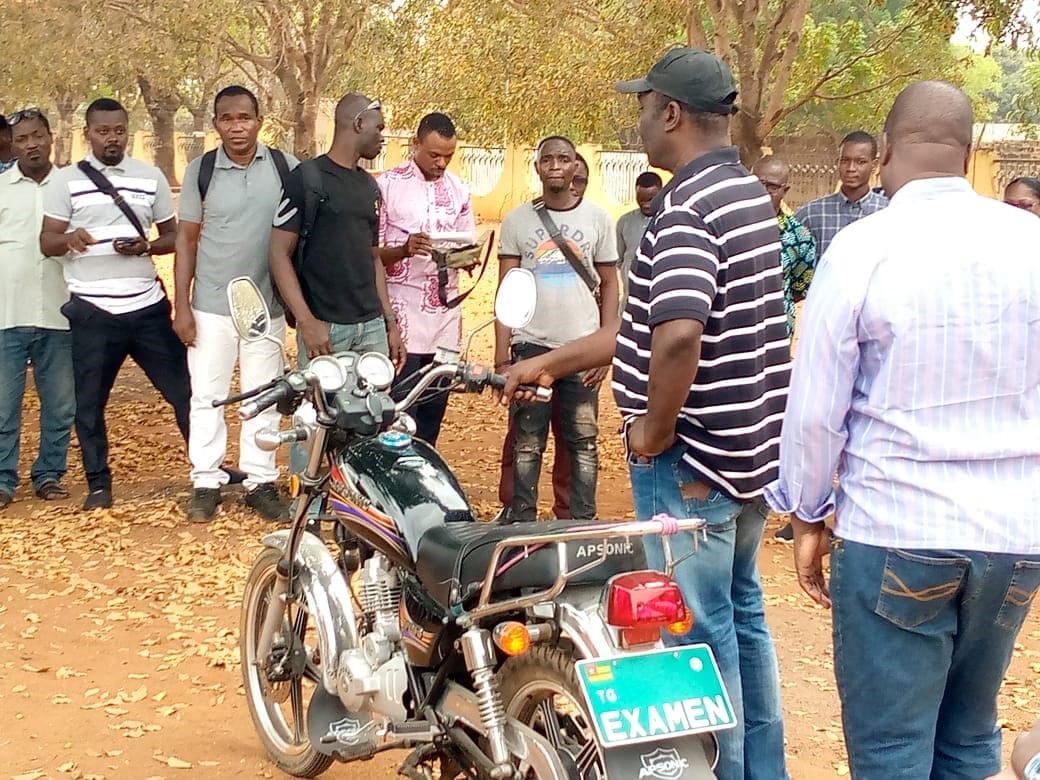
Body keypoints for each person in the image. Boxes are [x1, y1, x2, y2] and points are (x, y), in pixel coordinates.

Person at [500, 49, 791, 780]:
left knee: (695, 630)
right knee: (742, 617)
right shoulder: (748, 195)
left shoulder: (686, 206)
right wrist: (542, 363)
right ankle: (764, 769)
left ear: (669, 113)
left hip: (692, 464)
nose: (638, 119)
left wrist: (653, 431)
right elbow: (636, 326)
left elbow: (681, 335)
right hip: (749, 458)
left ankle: (721, 771)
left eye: (642, 105)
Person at [765, 80, 1040, 779]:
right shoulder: (1032, 241)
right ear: (971, 149)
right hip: (1014, 538)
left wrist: (806, 513)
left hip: (896, 529)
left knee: (892, 750)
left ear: (884, 150)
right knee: (970, 733)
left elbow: (816, 406)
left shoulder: (863, 248)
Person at [40, 98, 186, 510]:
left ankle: (205, 471)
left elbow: (174, 237)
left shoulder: (150, 176)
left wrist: (147, 246)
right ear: (88, 133)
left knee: (184, 393)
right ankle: (98, 484)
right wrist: (70, 239)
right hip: (93, 311)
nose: (112, 138)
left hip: (146, 308)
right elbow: (46, 242)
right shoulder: (65, 180)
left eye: (119, 130)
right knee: (89, 404)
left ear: (127, 130)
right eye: (103, 131)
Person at [174, 86, 298, 522]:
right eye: (227, 119)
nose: (236, 126)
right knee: (207, 395)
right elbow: (186, 240)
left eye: (244, 117)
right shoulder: (202, 170)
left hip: (266, 306)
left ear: (260, 119)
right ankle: (206, 481)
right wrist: (182, 306)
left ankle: (259, 481)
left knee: (263, 394)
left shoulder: (285, 167)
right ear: (216, 125)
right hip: (209, 303)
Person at [494, 135, 619, 522]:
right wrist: (503, 353)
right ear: (537, 167)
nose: (555, 165)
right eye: (547, 159)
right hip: (531, 347)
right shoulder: (517, 220)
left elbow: (611, 284)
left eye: (563, 159)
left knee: (583, 442)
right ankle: (521, 522)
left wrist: (605, 346)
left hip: (582, 349)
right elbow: (507, 287)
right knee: (527, 443)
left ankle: (580, 523)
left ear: (574, 167)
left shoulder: (598, 219)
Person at [270, 93, 404, 368]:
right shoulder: (306, 179)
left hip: (371, 329)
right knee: (322, 410)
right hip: (326, 330)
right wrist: (307, 322)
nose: (383, 137)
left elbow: (373, 256)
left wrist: (389, 322)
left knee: (373, 410)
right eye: (378, 128)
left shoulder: (369, 186)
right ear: (358, 123)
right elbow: (277, 254)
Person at [377, 112, 475, 445]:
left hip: (446, 319)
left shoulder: (459, 189)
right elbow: (369, 253)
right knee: (400, 409)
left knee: (434, 409)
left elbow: (464, 249)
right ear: (415, 144)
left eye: (448, 156)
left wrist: (468, 260)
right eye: (434, 154)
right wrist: (404, 249)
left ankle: (424, 472)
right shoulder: (387, 186)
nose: (441, 163)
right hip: (401, 316)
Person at [0, 109, 75, 510]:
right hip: (5, 315)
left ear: (50, 137)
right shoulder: (1, 188)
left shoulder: (71, 186)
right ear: (11, 144)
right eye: (21, 138)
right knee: (2, 406)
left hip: (59, 314)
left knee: (61, 405)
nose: (30, 144)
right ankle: (2, 480)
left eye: (36, 136)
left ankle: (49, 474)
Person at [794, 130, 888, 258]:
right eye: (845, 161)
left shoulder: (888, 212)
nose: (851, 168)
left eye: (860, 162)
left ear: (874, 165)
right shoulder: (812, 214)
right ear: (837, 162)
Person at [752, 155, 816, 336]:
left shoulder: (799, 237)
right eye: (758, 183)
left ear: (784, 190)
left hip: (777, 333)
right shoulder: (729, 225)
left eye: (771, 187)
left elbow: (799, 288)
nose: (763, 192)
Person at [615, 171, 663, 298]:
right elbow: (619, 261)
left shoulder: (670, 219)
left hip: (659, 296)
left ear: (661, 194)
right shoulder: (624, 222)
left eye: (651, 198)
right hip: (630, 298)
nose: (646, 204)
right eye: (641, 199)